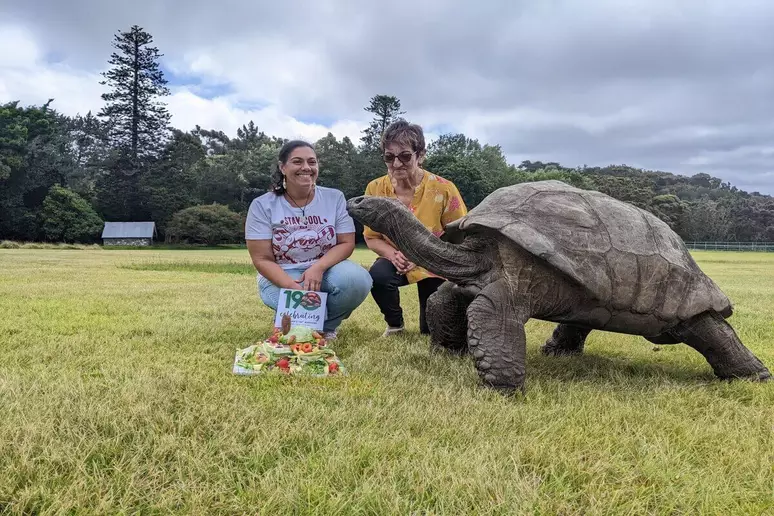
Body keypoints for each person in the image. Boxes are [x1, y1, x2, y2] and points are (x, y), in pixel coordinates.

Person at [245, 140, 372, 339]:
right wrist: (293, 289)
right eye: (297, 161)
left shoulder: (334, 198)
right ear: (282, 167)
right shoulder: (262, 205)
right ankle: (303, 320)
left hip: (326, 269)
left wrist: (318, 268)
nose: (306, 167)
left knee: (357, 280)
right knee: (297, 326)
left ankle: (327, 327)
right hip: (282, 273)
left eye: (312, 162)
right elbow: (262, 259)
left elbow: (346, 243)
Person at [362, 120, 468, 336]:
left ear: (420, 155)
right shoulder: (375, 189)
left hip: (434, 261)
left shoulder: (444, 188)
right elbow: (371, 236)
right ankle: (395, 325)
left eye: (405, 156)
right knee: (379, 276)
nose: (397, 163)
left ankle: (431, 323)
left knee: (431, 330)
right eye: (389, 157)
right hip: (396, 258)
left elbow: (459, 236)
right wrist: (393, 255)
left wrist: (422, 255)